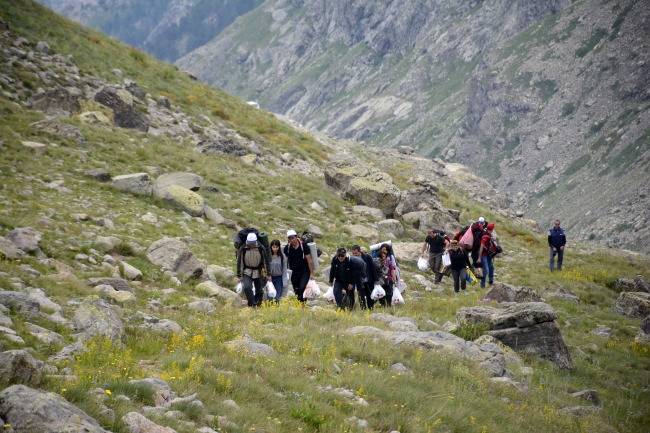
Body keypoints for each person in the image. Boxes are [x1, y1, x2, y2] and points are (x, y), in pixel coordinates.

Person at [236, 233, 271, 308]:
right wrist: (239, 276)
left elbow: (266, 262)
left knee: (259, 289)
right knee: (247, 286)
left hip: (257, 271)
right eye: (250, 243)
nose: (251, 245)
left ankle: (258, 303)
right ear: (247, 241)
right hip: (246, 271)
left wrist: (268, 274)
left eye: (253, 243)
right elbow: (240, 262)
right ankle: (251, 304)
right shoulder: (243, 248)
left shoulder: (261, 248)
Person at [283, 229, 314, 303]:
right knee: (296, 290)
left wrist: (311, 273)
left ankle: (302, 304)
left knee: (302, 287)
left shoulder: (304, 246)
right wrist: (284, 273)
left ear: (296, 237)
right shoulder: (287, 248)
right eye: (289, 238)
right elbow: (285, 261)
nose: (291, 240)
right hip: (294, 273)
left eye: (292, 238)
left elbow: (309, 260)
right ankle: (300, 305)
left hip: (304, 271)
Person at [351, 245, 381, 310]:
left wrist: (376, 279)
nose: (354, 255)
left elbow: (373, 268)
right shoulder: (352, 260)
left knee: (370, 296)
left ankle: (371, 309)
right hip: (359, 281)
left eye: (356, 253)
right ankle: (363, 310)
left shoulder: (367, 257)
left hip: (369, 280)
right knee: (361, 296)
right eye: (353, 253)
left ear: (359, 252)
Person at [476, 223, 496, 288]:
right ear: (492, 229)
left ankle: (490, 281)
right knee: (486, 270)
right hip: (484, 255)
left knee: (491, 268)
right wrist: (479, 258)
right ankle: (482, 284)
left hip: (489, 255)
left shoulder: (489, 234)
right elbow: (481, 246)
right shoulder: (485, 236)